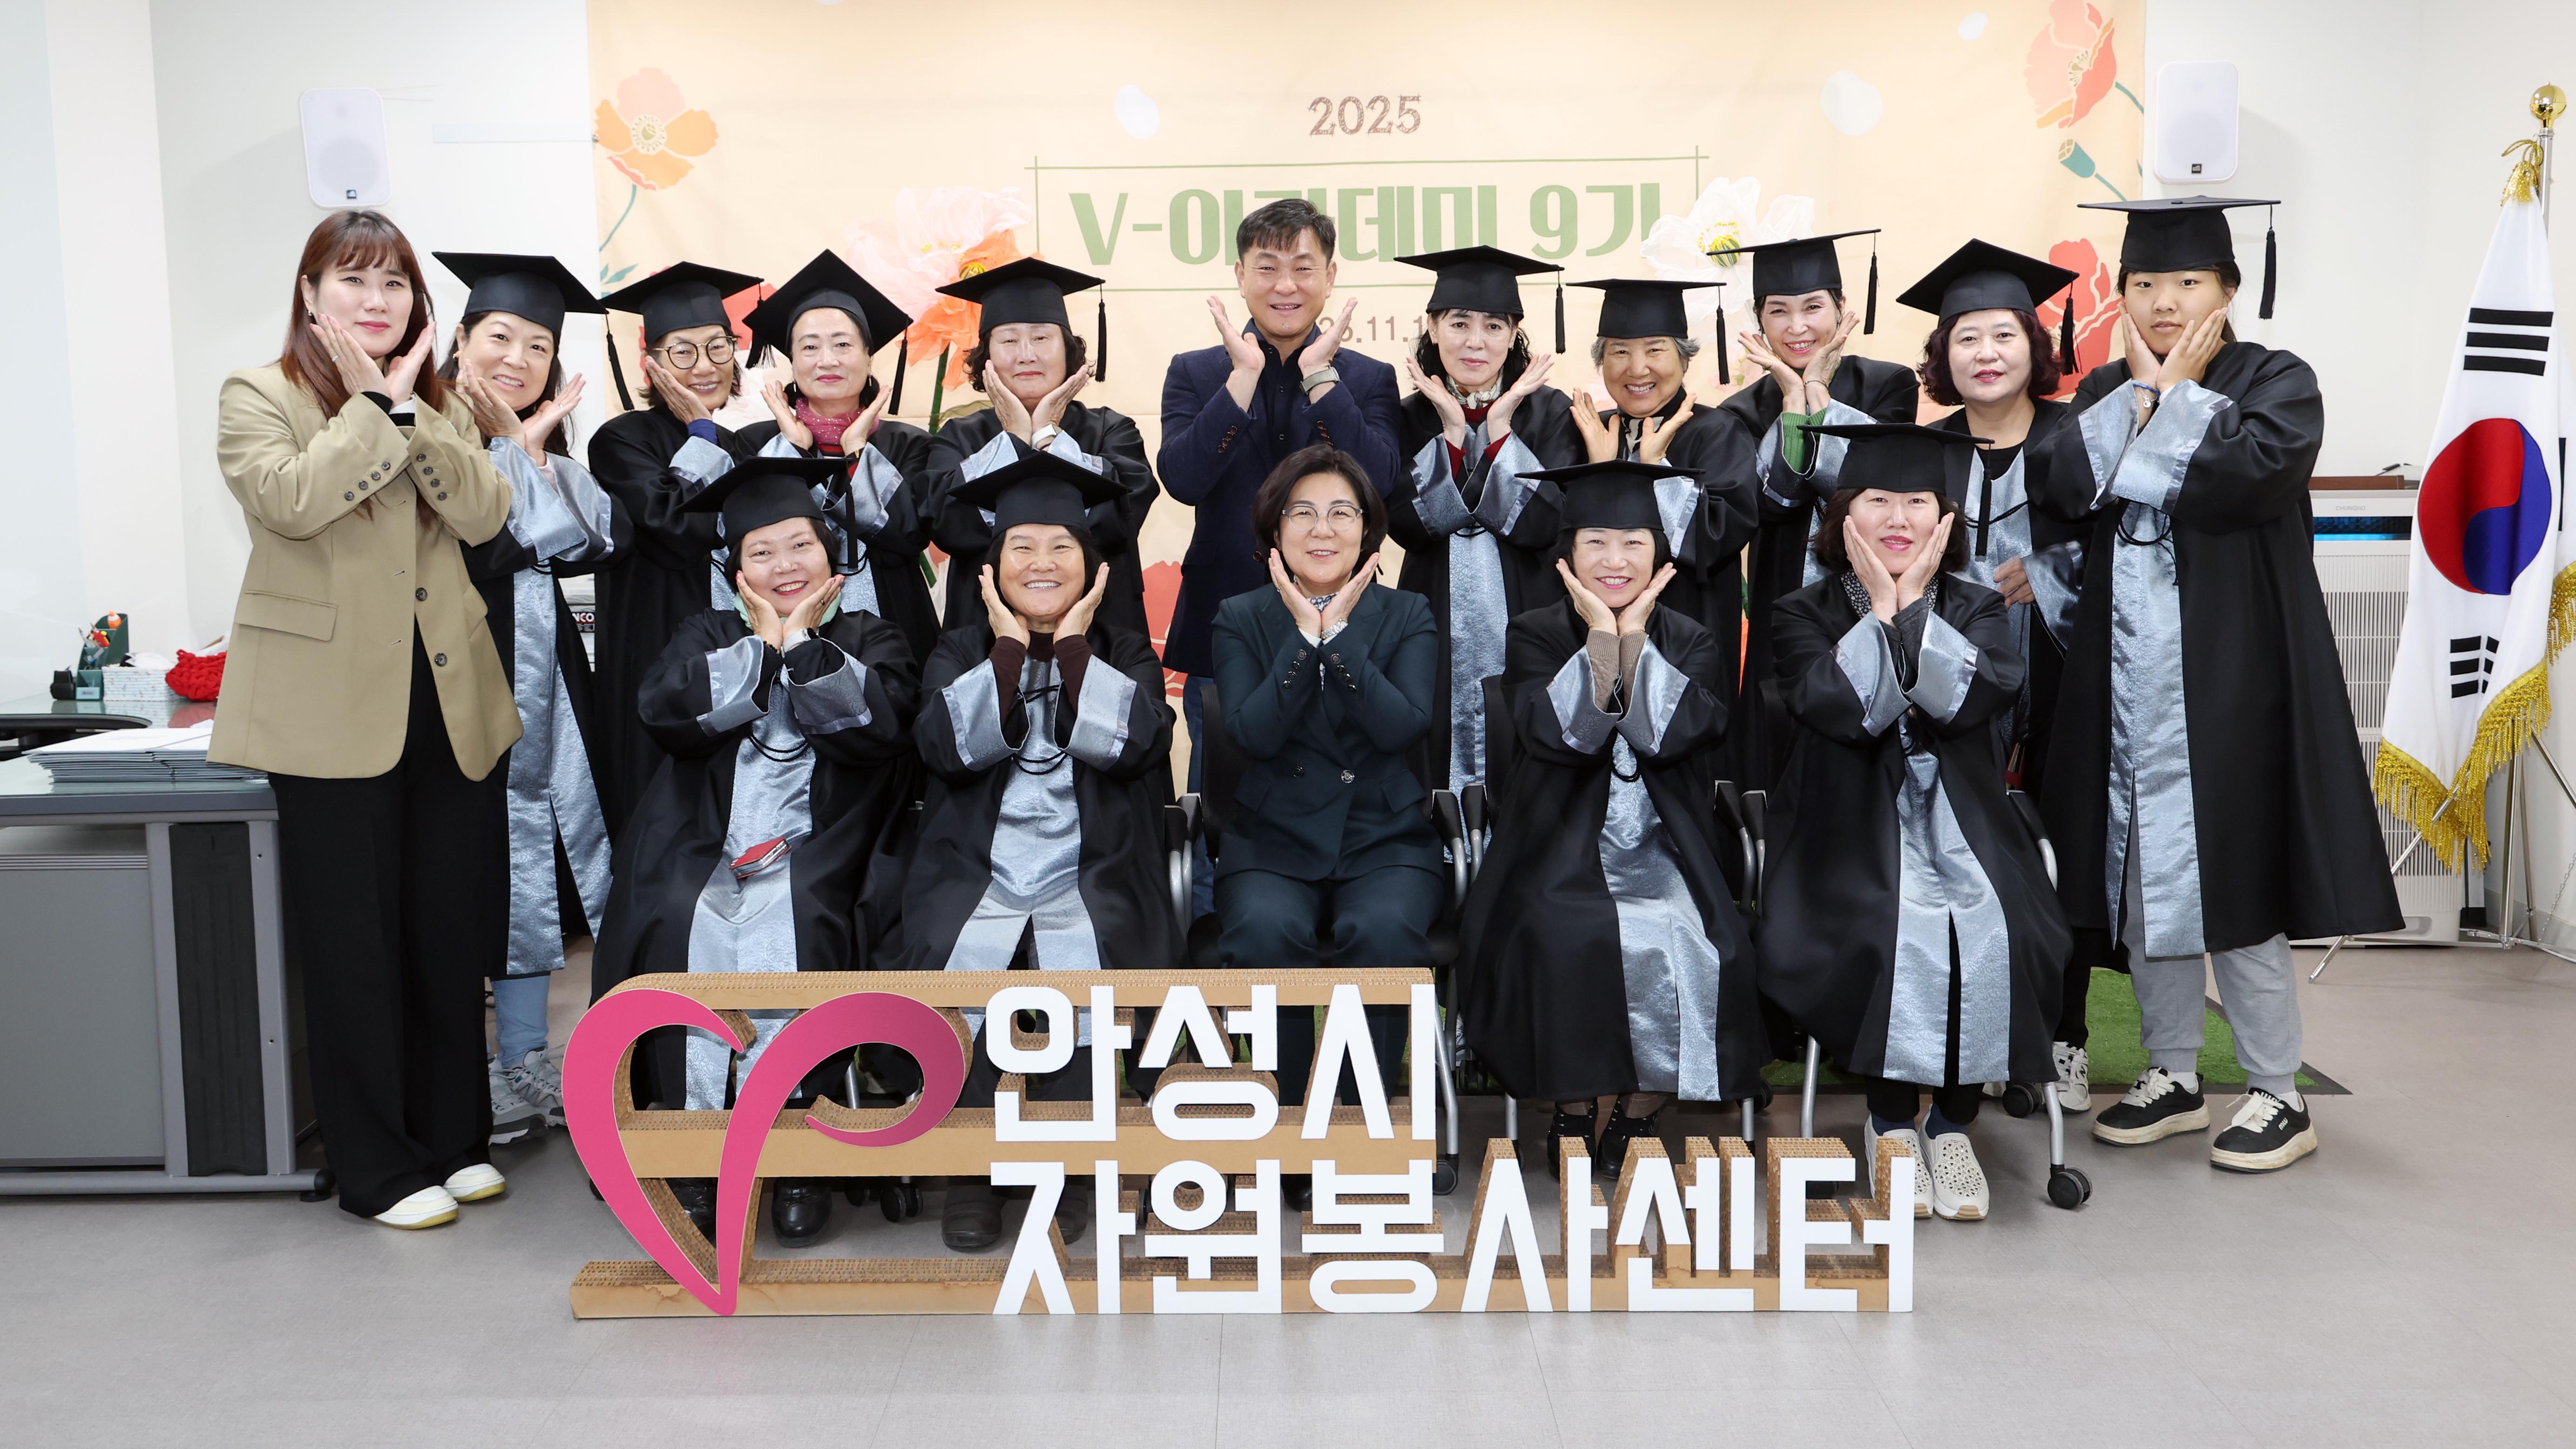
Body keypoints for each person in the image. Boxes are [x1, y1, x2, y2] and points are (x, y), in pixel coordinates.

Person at [2029, 197, 2399, 1172]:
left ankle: (2278, 1088)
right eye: (2145, 283)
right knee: (2139, 884)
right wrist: (2141, 402)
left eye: (2187, 282)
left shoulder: (2278, 380)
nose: (2164, 302)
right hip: (2122, 689)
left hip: (2234, 681)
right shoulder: (2103, 385)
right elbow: (2062, 484)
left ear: (2228, 289)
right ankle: (2173, 1073)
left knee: (2237, 875)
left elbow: (2246, 480)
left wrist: (2171, 398)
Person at [210, 210, 519, 1229]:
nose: (376, 301)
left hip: (447, 696)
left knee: (445, 931)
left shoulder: (442, 402)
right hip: (328, 707)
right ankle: (378, 1168)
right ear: (310, 295)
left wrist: (412, 409)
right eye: (353, 280)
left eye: (395, 284)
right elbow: (292, 502)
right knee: (355, 944)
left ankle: (454, 1140)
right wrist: (373, 408)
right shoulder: (260, 393)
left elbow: (483, 514)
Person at [590, 457, 921, 1247]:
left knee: (798, 914)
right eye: (762, 552)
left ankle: (798, 1150)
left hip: (821, 848)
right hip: (707, 846)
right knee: (678, 913)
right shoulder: (705, 633)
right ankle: (695, 1154)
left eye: (800, 545)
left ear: (830, 552)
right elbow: (665, 713)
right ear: (736, 571)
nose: (785, 565)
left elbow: (878, 728)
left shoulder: (869, 634)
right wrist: (762, 647)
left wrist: (801, 644)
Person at [1760, 423, 2070, 1221]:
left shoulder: (1979, 605)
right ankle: (1892, 1121)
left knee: (2002, 923)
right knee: (1891, 921)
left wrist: (1912, 612)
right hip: (1844, 819)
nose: (1898, 519)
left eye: (1917, 502)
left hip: (1967, 818)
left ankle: (1954, 1126)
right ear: (1843, 515)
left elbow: (1969, 703)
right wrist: (1884, 610)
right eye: (1877, 501)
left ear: (1945, 518)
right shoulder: (1800, 611)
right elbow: (1838, 711)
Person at [887, 449, 1178, 1252]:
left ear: (1093, 568)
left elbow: (1138, 744)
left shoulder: (1124, 649)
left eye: (1061, 547)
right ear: (989, 570)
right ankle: (971, 1172)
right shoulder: (958, 649)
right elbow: (946, 749)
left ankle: (1070, 1166)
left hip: (1095, 872)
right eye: (1021, 547)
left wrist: (1074, 646)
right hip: (973, 871)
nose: (1041, 563)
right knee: (956, 947)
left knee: (1084, 954)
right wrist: (1009, 651)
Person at [1459, 460, 1765, 1181]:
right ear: (1568, 553)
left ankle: (1639, 1109)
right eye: (1596, 542)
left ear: (1660, 555)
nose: (1615, 560)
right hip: (1556, 839)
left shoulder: (1692, 637)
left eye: (1634, 543)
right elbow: (1558, 736)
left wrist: (1633, 639)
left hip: (1668, 843)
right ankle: (1571, 1108)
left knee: (1691, 936)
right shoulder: (1534, 633)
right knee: (1558, 932)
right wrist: (1603, 637)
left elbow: (1677, 734)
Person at [1208, 444, 1439, 1208]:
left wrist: (1337, 640)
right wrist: (1303, 638)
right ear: (1274, 529)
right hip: (1272, 838)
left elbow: (1402, 725)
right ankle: (1288, 1128)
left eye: (1342, 512)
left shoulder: (1407, 613)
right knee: (1264, 934)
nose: (1322, 528)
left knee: (1383, 933)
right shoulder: (1240, 616)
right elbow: (1252, 734)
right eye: (1301, 512)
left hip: (1383, 836)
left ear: (1367, 530)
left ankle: (1359, 1125)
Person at [1160, 197, 1404, 912]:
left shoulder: (1366, 378)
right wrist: (1240, 380)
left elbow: (1380, 485)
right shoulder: (1195, 372)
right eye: (1267, 267)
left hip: (1347, 632)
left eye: (1303, 267)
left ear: (1331, 275)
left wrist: (1322, 381)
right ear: (1240, 276)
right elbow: (1183, 478)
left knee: (1346, 803)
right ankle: (1216, 953)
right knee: (1219, 810)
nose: (1286, 285)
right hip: (1224, 631)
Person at [431, 252, 625, 1143]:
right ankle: (459, 1070)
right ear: (460, 340)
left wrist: (530, 448)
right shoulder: (424, 435)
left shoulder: (542, 450)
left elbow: (592, 542)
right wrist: (519, 451)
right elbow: (495, 547)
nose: (517, 358)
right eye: (500, 337)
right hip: (448, 679)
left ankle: (522, 1057)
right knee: (462, 872)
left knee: (531, 867)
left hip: (544, 677)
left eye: (538, 345)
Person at [1897, 239, 2095, 1113]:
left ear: (2034, 345)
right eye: (1966, 338)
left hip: (2061, 677)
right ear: (1942, 354)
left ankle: (2065, 1035)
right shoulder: (1918, 450)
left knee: (2065, 852)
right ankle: (1971, 1032)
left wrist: (2050, 572)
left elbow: (2125, 550)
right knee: (1964, 855)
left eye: (2003, 335)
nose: (1985, 354)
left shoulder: (2079, 436)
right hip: (1951, 689)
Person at [1705, 231, 1920, 784]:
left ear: (1841, 308)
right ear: (1758, 321)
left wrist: (1816, 391)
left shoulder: (1890, 384)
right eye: (1778, 311)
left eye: (1813, 307)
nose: (1797, 327)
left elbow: (1870, 486)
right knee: (1781, 745)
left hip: (1873, 593)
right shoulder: (1738, 413)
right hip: (1783, 594)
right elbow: (1773, 502)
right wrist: (1791, 403)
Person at [1386, 246, 1585, 794]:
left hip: (1530, 609)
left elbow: (1543, 526)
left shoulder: (1552, 413)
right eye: (1459, 323)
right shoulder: (1406, 416)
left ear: (1514, 334)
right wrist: (1452, 433)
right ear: (1432, 327)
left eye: (1494, 326)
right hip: (1432, 611)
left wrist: (1499, 429)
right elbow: (1408, 525)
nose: (1476, 341)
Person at [589, 261, 766, 826]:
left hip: (740, 653)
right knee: (661, 815)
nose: (705, 366)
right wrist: (700, 432)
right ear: (652, 363)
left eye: (718, 347)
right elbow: (675, 529)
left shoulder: (747, 448)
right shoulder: (621, 440)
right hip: (658, 650)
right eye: (682, 352)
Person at [919, 258, 1160, 637]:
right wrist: (1013, 438)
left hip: (1102, 634)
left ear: (1068, 351)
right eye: (1009, 340)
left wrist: (1048, 435)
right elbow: (947, 525)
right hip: (984, 635)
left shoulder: (1111, 430)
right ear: (986, 358)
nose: (1026, 355)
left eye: (1042, 338)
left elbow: (1120, 519)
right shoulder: (958, 436)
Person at [1562, 278, 1761, 736]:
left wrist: (1659, 470)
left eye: (1655, 350)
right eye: (1619, 352)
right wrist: (1599, 467)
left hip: (1689, 635)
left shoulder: (1718, 432)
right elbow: (1554, 545)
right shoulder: (1587, 431)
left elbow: (1718, 538)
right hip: (1591, 640)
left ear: (1684, 358)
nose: (1637, 369)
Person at [736, 249, 941, 664]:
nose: (827, 360)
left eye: (843, 344)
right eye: (810, 347)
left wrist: (857, 452)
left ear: (868, 356)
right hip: (783, 627)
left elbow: (905, 537)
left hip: (894, 616)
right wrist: (795, 450)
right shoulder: (753, 444)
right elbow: (746, 538)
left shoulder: (909, 444)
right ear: (793, 361)